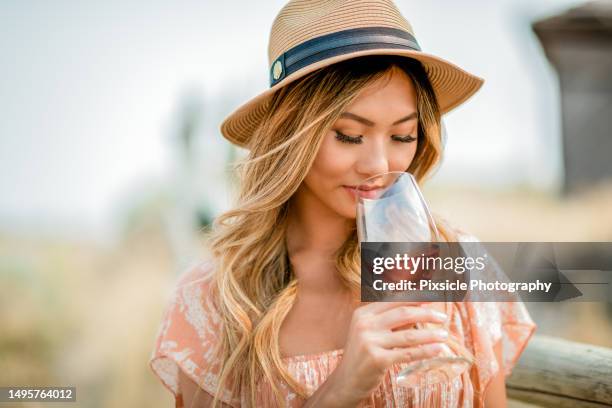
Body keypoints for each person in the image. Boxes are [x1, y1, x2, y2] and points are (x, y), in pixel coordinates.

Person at [149, 0, 537, 407]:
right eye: (350, 135)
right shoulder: (213, 299)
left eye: (403, 137)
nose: (379, 165)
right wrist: (341, 389)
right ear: (290, 136)